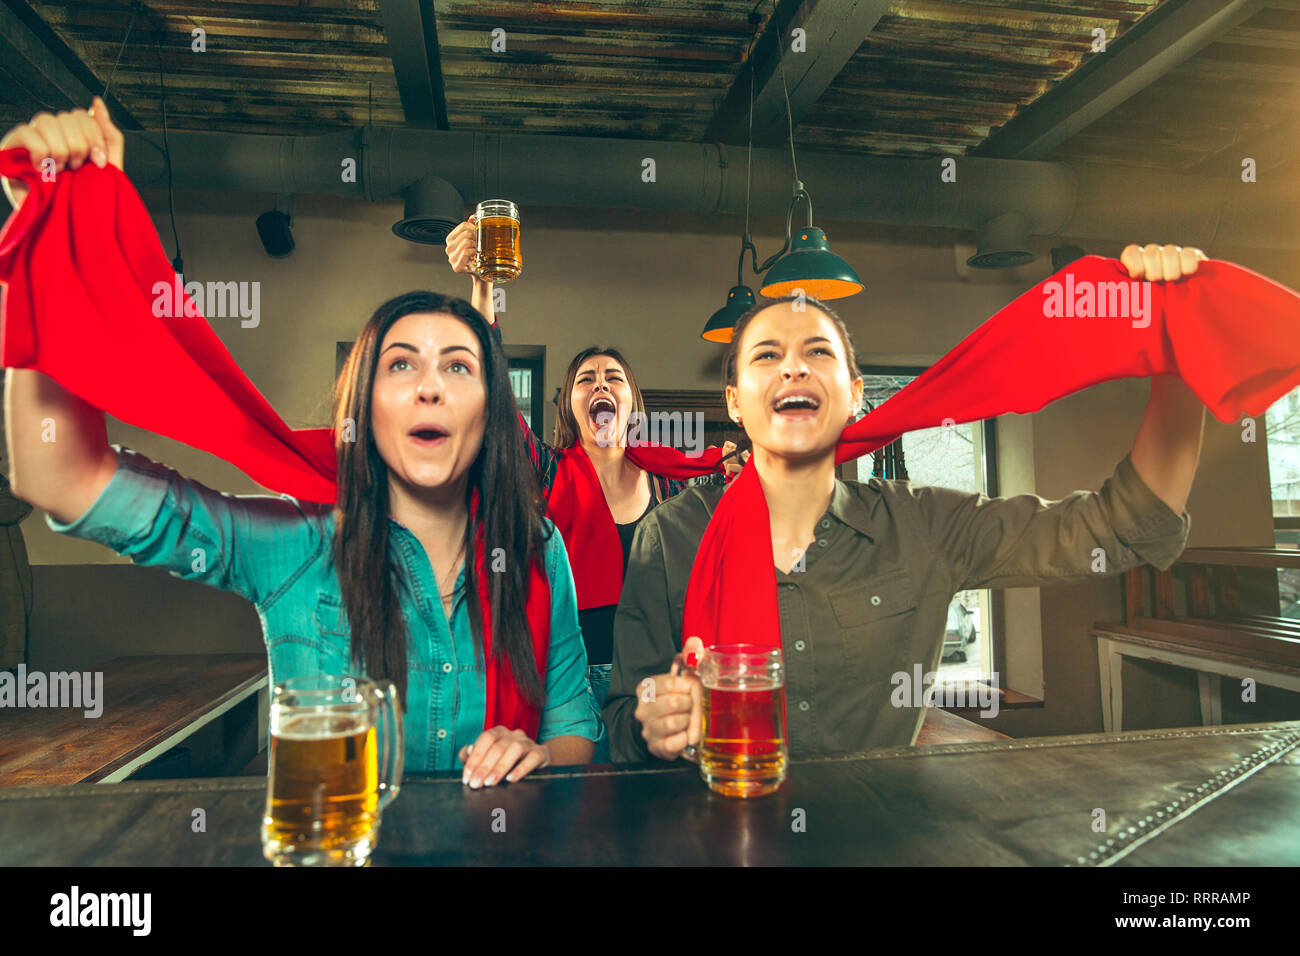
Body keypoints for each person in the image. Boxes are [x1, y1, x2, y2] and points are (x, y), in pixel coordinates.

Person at [1, 101, 599, 785]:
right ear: (364, 411)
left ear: (491, 414)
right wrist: (43, 240)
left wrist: (543, 754)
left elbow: (575, 727)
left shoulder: (537, 549)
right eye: (400, 364)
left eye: (458, 367)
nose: (429, 387)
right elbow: (61, 477)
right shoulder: (297, 544)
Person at [604, 251, 1209, 762]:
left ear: (855, 395)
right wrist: (654, 718)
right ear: (735, 402)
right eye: (766, 355)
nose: (792, 365)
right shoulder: (670, 537)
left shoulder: (928, 525)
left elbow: (1123, 527)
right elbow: (622, 716)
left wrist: (1184, 352)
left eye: (817, 352)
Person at [444, 219, 742, 761]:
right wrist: (484, 288)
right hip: (565, 684)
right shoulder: (546, 469)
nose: (600, 384)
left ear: (632, 403)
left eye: (613, 378)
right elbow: (489, 395)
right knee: (572, 823)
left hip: (654, 683)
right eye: (586, 379)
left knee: (652, 823)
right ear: (570, 405)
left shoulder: (672, 481)